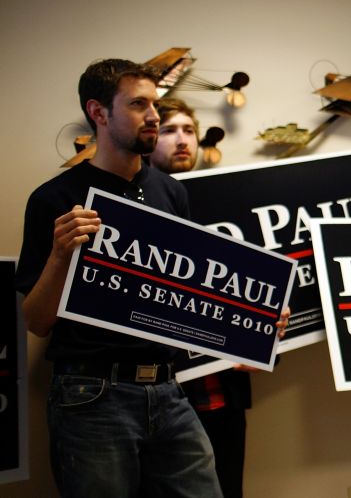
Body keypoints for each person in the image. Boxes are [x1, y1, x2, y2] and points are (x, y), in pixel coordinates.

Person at [15, 59, 223, 497]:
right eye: (138, 104)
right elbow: (35, 321)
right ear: (99, 112)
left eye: (156, 104)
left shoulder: (172, 191)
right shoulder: (54, 198)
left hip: (169, 390)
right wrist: (59, 256)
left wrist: (254, 323)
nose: (154, 116)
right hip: (92, 394)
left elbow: (186, 292)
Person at [151, 97, 253, 498]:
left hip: (222, 392)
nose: (181, 140)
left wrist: (262, 339)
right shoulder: (130, 206)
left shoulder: (225, 204)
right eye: (168, 130)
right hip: (159, 396)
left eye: (188, 131)